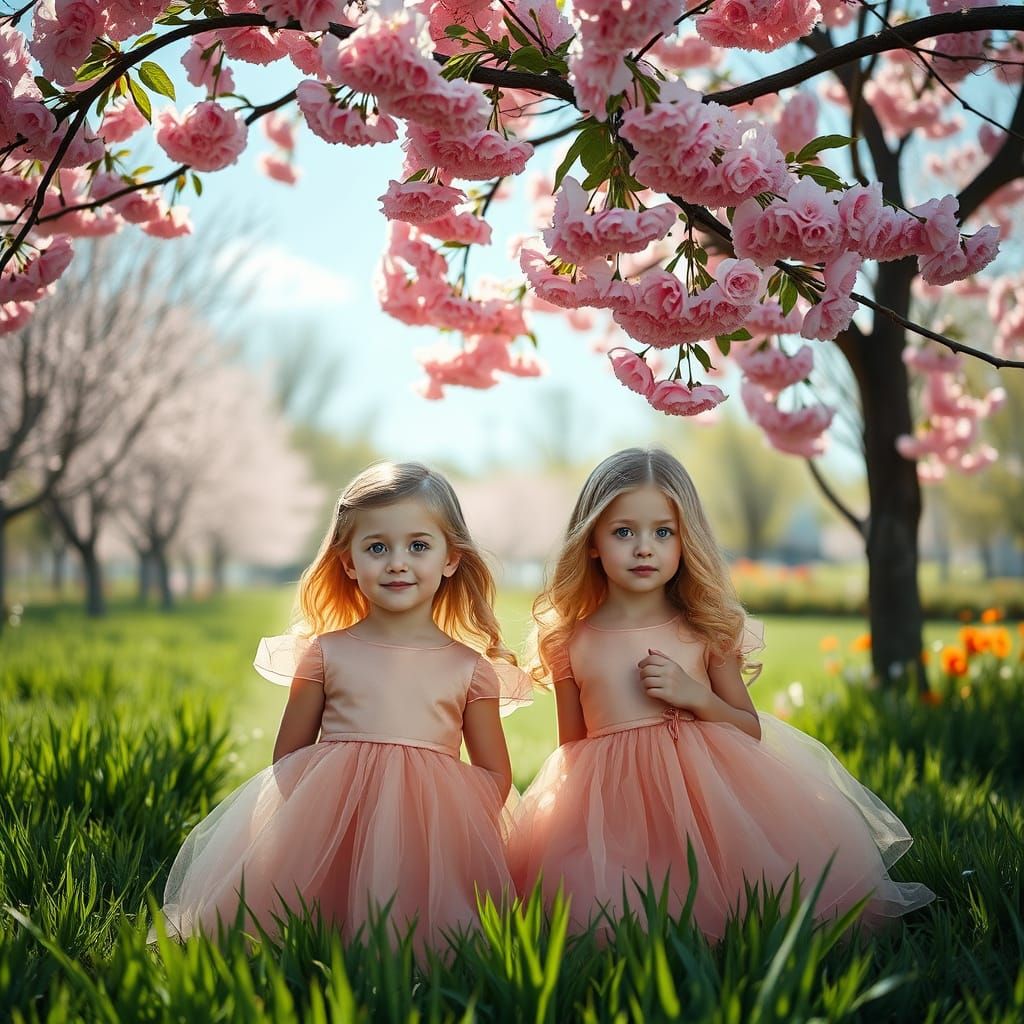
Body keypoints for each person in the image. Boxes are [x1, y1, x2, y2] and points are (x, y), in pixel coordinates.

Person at [508, 447, 933, 939]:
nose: (644, 547)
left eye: (663, 532)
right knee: (615, 915)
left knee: (727, 894)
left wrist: (694, 695)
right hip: (612, 804)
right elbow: (572, 750)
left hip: (706, 793)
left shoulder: (704, 629)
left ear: (687, 540)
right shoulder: (570, 641)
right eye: (624, 532)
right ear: (592, 543)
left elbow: (747, 728)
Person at [162, 461, 531, 949]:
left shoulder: (469, 668)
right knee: (315, 928)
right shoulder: (325, 652)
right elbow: (288, 758)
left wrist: (448, 825)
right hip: (330, 819)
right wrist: (322, 821)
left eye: (418, 546)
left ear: (451, 558)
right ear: (349, 562)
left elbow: (494, 776)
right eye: (377, 547)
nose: (397, 562)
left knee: (420, 939)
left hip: (428, 832)